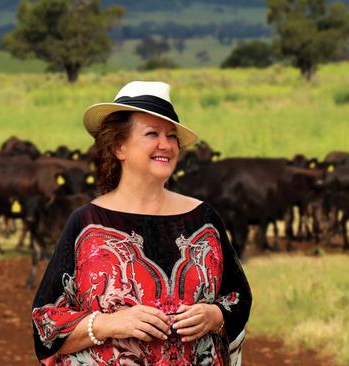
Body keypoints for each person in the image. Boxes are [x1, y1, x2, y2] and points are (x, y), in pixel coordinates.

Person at [32, 81, 251, 365]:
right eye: (152, 134)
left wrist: (215, 316)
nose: (166, 145)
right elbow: (45, 326)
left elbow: (238, 297)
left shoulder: (204, 219)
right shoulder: (86, 223)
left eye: (172, 136)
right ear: (118, 147)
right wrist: (108, 324)